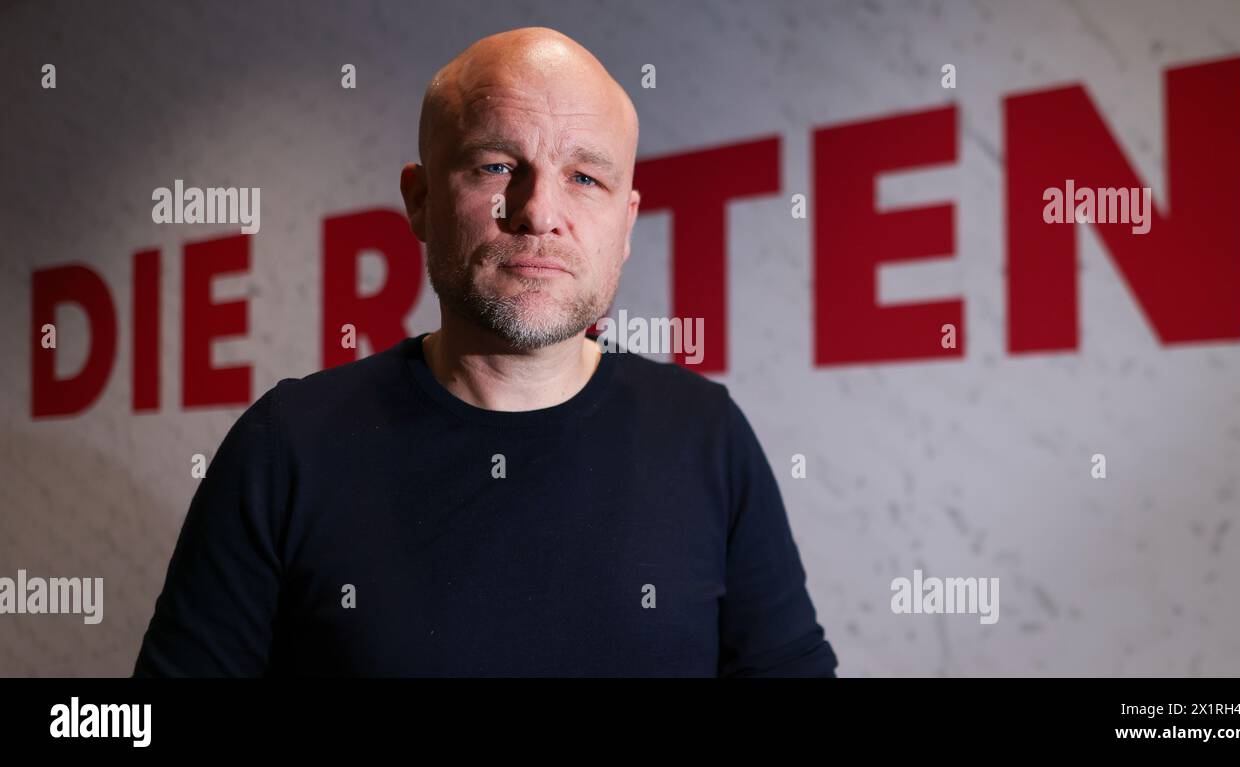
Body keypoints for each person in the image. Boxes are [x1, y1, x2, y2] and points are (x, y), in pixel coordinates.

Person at [133, 26, 836, 677]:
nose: (538, 212)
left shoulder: (706, 435)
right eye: (498, 165)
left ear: (625, 225)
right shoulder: (286, 445)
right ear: (419, 199)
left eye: (586, 177)